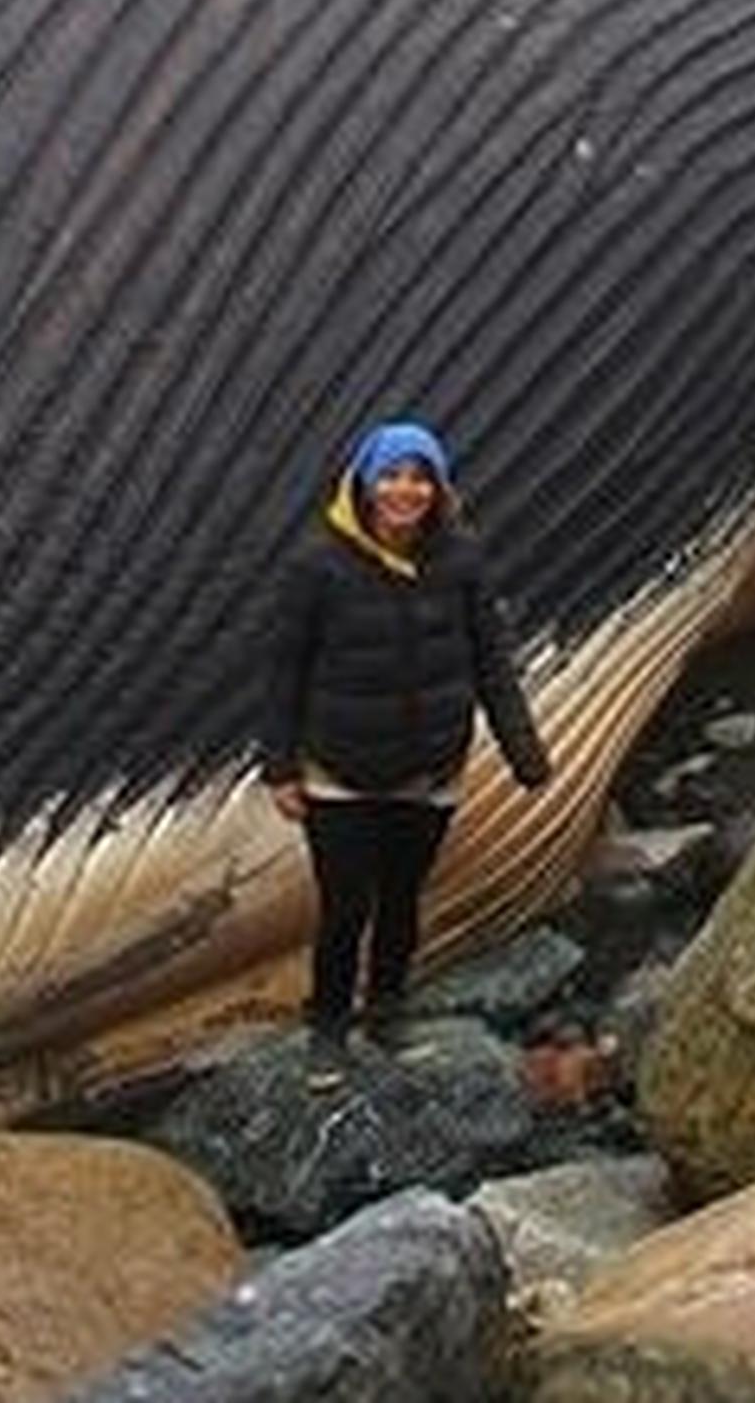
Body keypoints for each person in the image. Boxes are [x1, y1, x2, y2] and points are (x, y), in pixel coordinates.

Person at [261, 420, 552, 1081]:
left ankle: (388, 1009)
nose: (405, 489)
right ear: (364, 482)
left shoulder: (460, 559)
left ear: (438, 487)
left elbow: (490, 661)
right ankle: (328, 1025)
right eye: (392, 474)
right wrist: (279, 765)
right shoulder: (318, 565)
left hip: (429, 769)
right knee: (345, 907)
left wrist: (523, 751)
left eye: (420, 476)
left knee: (402, 899)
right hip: (341, 770)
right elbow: (284, 669)